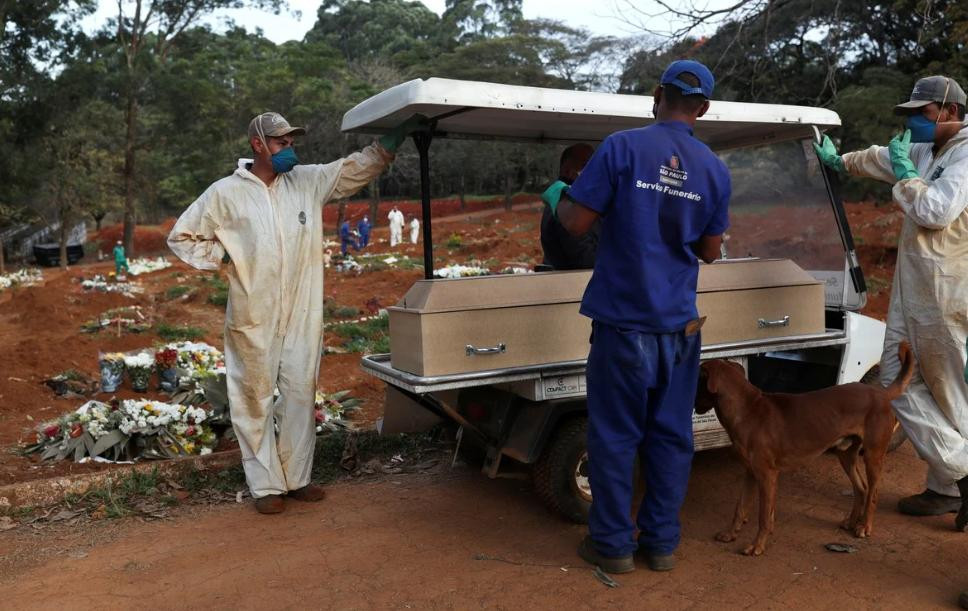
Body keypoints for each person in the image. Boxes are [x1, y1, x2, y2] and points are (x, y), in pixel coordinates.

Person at [168, 111, 425, 514]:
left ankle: (297, 477)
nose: (290, 150)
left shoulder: (306, 182)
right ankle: (266, 486)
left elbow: (354, 169)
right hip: (254, 313)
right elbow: (181, 236)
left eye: (291, 143)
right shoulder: (225, 193)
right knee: (253, 397)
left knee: (301, 392)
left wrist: (392, 141)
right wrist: (226, 256)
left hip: (303, 310)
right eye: (281, 143)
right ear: (257, 144)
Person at [543, 60, 729, 573]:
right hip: (679, 328)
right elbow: (712, 252)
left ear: (656, 94)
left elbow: (578, 223)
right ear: (704, 108)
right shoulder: (714, 169)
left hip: (624, 325)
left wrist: (562, 197)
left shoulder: (621, 147)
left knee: (614, 437)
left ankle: (611, 545)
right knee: (671, 436)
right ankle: (662, 544)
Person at [814, 75, 968, 530]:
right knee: (898, 378)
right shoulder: (924, 150)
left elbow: (935, 211)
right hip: (915, 287)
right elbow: (880, 158)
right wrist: (838, 160)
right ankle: (952, 481)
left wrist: (905, 175)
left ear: (950, 113)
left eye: (920, 114)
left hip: (947, 289)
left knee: (948, 390)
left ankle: (955, 478)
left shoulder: (964, 155)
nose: (911, 123)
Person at [540, 143, 597, 269]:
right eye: (586, 165)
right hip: (573, 284)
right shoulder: (565, 203)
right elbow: (585, 259)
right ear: (567, 171)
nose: (595, 172)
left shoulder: (581, 201)